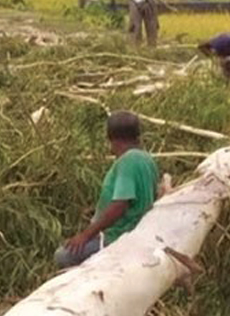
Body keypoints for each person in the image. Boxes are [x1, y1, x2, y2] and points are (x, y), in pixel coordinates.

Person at [55, 111, 158, 269]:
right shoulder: (147, 159)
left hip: (118, 236)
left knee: (63, 256)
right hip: (139, 233)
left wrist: (85, 235)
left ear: (112, 139)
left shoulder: (127, 161)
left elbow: (120, 205)